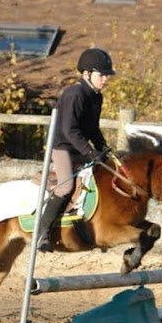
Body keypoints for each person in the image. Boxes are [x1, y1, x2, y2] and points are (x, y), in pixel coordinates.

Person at [36, 47, 115, 252]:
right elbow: (69, 130)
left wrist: (104, 149)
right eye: (102, 74)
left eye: (107, 75)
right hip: (62, 147)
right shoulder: (74, 94)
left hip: (78, 148)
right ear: (87, 74)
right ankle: (42, 232)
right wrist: (90, 152)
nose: (106, 79)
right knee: (65, 187)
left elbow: (93, 129)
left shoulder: (96, 97)